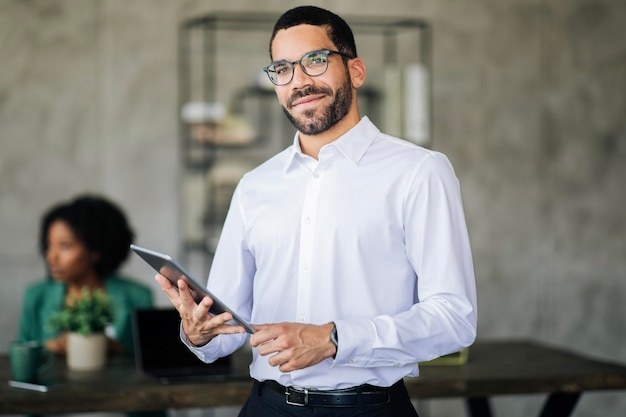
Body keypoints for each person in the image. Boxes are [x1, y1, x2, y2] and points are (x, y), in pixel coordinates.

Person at [156, 6, 477, 417]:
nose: (300, 81)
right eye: (282, 69)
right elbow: (227, 333)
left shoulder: (419, 172)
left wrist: (335, 339)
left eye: (315, 60)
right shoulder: (255, 186)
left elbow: (455, 319)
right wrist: (198, 332)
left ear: (356, 71)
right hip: (265, 407)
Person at [16, 194, 154, 355]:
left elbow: (152, 356)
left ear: (95, 250)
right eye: (49, 245)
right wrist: (47, 348)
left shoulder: (137, 296)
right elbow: (20, 354)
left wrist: (117, 348)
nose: (51, 257)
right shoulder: (36, 296)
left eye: (65, 246)